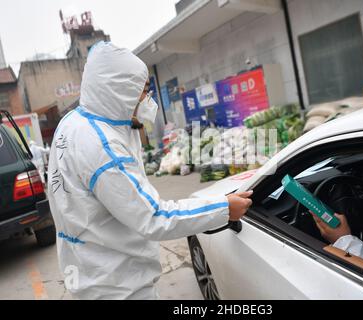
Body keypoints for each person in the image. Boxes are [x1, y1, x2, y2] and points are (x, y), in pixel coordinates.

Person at [47, 41, 253, 300]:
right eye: (143, 91)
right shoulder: (103, 148)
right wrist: (223, 209)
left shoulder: (73, 123)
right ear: (118, 91)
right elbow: (155, 217)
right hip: (119, 287)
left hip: (90, 273)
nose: (149, 100)